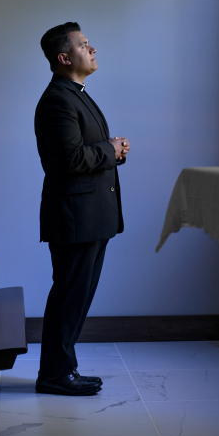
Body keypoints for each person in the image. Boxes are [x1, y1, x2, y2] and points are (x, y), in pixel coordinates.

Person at [34, 22, 129, 396]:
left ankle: (63, 369)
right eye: (84, 45)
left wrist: (110, 150)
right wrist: (112, 149)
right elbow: (69, 159)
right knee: (70, 295)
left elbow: (86, 150)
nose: (93, 49)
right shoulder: (58, 98)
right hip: (76, 216)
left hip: (92, 215)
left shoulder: (77, 94)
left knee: (77, 295)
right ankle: (56, 374)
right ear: (64, 57)